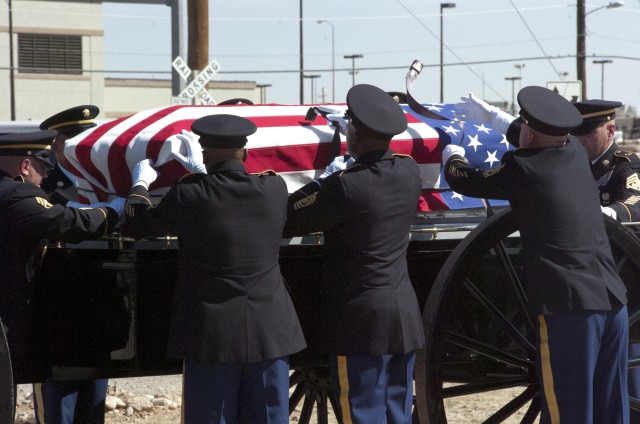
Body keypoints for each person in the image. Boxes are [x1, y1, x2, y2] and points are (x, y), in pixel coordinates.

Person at [443, 85, 629, 423]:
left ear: (528, 132)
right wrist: (497, 120)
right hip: (613, 301)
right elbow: (539, 137)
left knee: (567, 411)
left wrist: (451, 157)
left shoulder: (522, 166)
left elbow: (467, 180)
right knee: (609, 411)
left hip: (570, 307)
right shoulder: (574, 151)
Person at [123, 114, 306, 424]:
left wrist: (140, 183)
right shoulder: (274, 188)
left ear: (204, 153)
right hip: (271, 334)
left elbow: (136, 223)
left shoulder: (188, 193)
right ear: (246, 153)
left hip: (212, 338)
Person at [283, 83, 425, 423]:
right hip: (403, 316)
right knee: (397, 414)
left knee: (361, 413)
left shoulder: (345, 185)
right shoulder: (410, 171)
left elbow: (288, 217)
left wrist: (322, 182)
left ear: (355, 133)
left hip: (359, 322)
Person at [0, 130, 124, 422]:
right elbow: (68, 222)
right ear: (25, 167)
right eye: (42, 170)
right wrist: (114, 210)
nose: (44, 179)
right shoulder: (15, 192)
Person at [34, 104, 111, 424]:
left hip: (101, 306)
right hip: (57, 312)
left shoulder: (106, 181)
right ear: (58, 145)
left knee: (93, 403)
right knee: (57, 410)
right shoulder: (44, 187)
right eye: (78, 140)